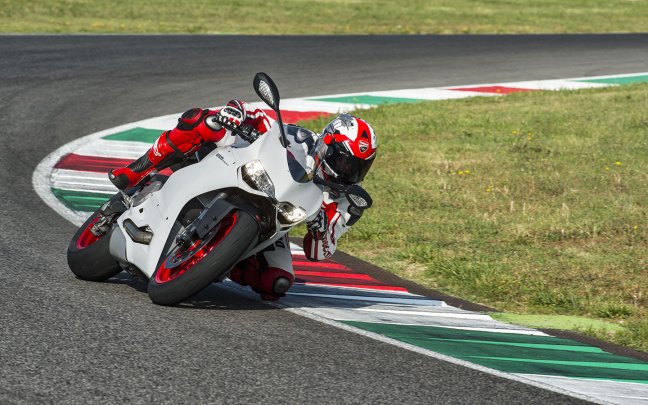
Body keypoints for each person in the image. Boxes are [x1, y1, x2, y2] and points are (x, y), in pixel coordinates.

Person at [109, 101, 377, 301]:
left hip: (275, 221)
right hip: (241, 171)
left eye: (357, 168)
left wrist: (320, 228)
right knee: (204, 120)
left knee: (277, 282)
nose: (347, 172)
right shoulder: (301, 139)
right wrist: (238, 112)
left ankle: (218, 261)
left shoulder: (348, 200)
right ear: (327, 145)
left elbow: (319, 252)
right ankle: (136, 170)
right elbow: (264, 122)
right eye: (344, 162)